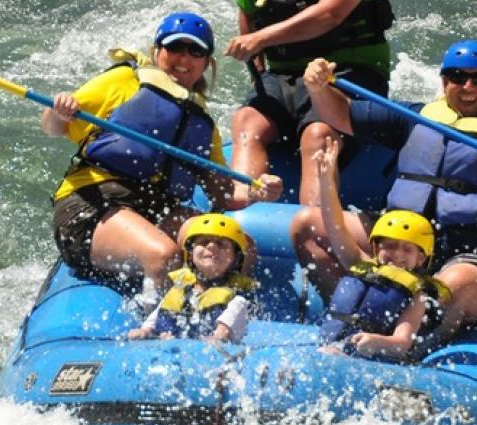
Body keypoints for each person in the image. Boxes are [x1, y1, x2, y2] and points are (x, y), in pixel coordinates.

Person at [291, 40, 477, 354]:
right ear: (444, 82)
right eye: (457, 77)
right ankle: (352, 318)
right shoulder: (418, 116)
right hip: (408, 236)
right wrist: (318, 87)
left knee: (449, 284)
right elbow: (341, 115)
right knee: (307, 225)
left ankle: (410, 344)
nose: (467, 86)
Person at [41, 12, 280, 299]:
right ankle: (156, 327)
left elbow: (224, 194)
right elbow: (53, 127)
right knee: (166, 256)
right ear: (157, 52)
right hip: (92, 206)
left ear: (207, 63)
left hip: (155, 209)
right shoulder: (125, 80)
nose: (184, 57)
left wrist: (257, 191)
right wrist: (57, 111)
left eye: (195, 50)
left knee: (240, 245)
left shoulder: (202, 123)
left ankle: (220, 311)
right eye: (175, 47)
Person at [222, 0, 395, 207]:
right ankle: (241, 203)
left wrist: (259, 38)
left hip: (347, 69)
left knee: (318, 134)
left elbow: (330, 14)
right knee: (247, 120)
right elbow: (248, 13)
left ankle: (314, 223)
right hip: (283, 73)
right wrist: (258, 67)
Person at [307, 137, 445, 360]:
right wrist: (326, 180)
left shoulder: (416, 297)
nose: (396, 255)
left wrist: (376, 341)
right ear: (375, 247)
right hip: (331, 350)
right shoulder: (358, 263)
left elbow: (401, 343)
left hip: (372, 359)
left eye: (407, 249)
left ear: (421, 258)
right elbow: (334, 225)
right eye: (389, 246)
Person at [127, 213, 258, 343]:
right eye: (204, 242)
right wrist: (146, 330)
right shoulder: (181, 285)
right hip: (172, 340)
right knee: (172, 298)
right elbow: (160, 309)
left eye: (222, 244)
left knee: (240, 302)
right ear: (190, 255)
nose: (211, 246)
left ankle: (220, 334)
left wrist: (221, 334)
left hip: (215, 341)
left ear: (235, 258)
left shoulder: (238, 294)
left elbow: (238, 312)